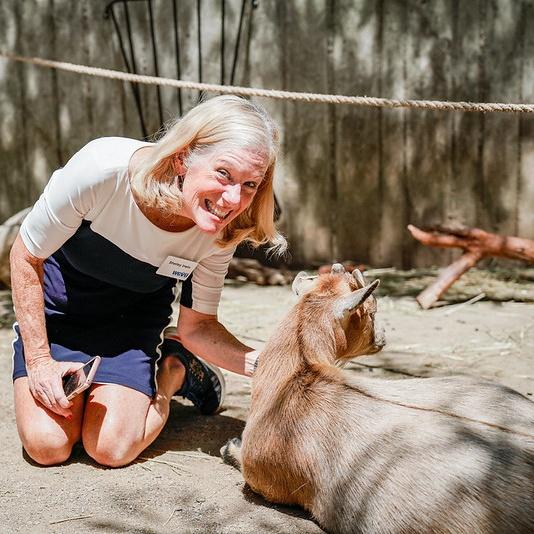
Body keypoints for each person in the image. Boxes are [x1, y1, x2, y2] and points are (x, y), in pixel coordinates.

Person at [10, 95, 285, 467]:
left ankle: (174, 369)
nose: (233, 199)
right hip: (59, 314)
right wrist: (40, 361)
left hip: (130, 326)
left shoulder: (223, 230)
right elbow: (26, 256)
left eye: (250, 184)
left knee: (111, 450)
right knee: (48, 447)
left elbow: (199, 326)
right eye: (224, 174)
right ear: (182, 158)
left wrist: (277, 364)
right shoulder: (102, 170)